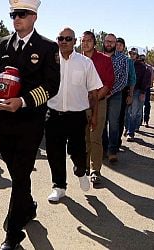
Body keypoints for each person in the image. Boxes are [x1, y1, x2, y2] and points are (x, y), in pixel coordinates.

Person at [0, 1, 60, 249]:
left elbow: (51, 86)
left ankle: (13, 234)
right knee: (17, 172)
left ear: (34, 16)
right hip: (4, 121)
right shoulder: (4, 44)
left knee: (20, 173)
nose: (16, 18)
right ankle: (27, 207)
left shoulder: (48, 47)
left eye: (21, 14)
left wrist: (23, 101)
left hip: (30, 121)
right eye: (12, 14)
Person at [46, 27, 102, 202]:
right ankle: (59, 186)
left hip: (76, 116)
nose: (64, 42)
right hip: (53, 113)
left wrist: (93, 116)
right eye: (60, 38)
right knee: (54, 152)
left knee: (77, 151)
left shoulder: (86, 63)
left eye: (68, 39)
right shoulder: (50, 62)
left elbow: (93, 93)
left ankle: (80, 171)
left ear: (75, 41)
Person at [81, 30, 115, 184]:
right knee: (83, 137)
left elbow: (108, 83)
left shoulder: (104, 60)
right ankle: (85, 167)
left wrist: (94, 99)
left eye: (89, 40)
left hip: (98, 103)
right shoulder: (76, 60)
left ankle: (96, 170)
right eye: (83, 40)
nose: (86, 43)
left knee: (95, 137)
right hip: (80, 104)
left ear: (94, 43)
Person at [101, 34, 130, 163]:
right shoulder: (98, 57)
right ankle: (103, 148)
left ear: (115, 43)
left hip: (115, 94)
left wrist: (110, 92)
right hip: (100, 94)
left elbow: (124, 79)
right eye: (107, 41)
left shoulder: (123, 59)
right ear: (104, 42)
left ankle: (112, 151)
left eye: (112, 42)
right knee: (101, 123)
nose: (109, 44)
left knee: (114, 123)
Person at [125, 47, 152, 141]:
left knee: (134, 112)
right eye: (130, 53)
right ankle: (127, 128)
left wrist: (143, 91)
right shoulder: (125, 63)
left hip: (136, 91)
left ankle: (130, 133)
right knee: (126, 112)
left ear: (137, 56)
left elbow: (146, 79)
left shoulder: (142, 67)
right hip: (125, 90)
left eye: (133, 54)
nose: (131, 55)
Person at [115, 37, 135, 147]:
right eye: (116, 44)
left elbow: (132, 78)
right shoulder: (108, 58)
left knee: (120, 117)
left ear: (123, 47)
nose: (118, 47)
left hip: (123, 91)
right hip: (108, 91)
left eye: (120, 45)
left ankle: (117, 141)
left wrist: (130, 95)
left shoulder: (128, 61)